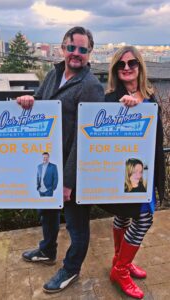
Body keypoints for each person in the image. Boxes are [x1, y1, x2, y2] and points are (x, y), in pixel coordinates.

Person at [17, 26, 105, 293]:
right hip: (48, 161)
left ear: (89, 53)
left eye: (82, 49)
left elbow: (85, 139)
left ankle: (71, 269)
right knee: (47, 212)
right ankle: (47, 250)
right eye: (71, 47)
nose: (75, 53)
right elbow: (42, 102)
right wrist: (28, 101)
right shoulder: (54, 73)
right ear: (63, 48)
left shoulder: (91, 87)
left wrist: (68, 181)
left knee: (77, 225)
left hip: (73, 170)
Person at [103, 46, 165, 299]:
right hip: (124, 169)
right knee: (142, 218)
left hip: (145, 166)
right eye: (121, 64)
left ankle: (122, 263)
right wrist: (122, 109)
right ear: (115, 70)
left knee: (128, 217)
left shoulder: (149, 95)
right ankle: (120, 269)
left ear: (140, 66)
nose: (127, 68)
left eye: (132, 63)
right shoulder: (110, 98)